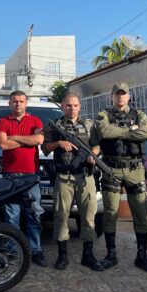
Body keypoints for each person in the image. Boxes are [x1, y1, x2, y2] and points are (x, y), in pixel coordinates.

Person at [95, 82, 147, 272]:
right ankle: (111, 255)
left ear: (129, 96)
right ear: (112, 96)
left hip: (135, 168)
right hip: (112, 168)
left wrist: (119, 132)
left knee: (140, 213)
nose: (120, 97)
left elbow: (145, 133)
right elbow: (104, 131)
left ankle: (142, 255)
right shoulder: (104, 114)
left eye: (124, 94)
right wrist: (131, 129)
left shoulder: (140, 114)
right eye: (117, 94)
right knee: (110, 213)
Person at [43, 92, 103, 272]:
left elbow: (97, 145)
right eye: (68, 105)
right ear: (62, 106)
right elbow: (45, 148)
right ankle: (62, 255)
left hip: (85, 176)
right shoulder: (55, 126)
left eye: (75, 105)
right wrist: (59, 143)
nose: (72, 108)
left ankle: (88, 255)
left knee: (88, 215)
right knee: (61, 215)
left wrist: (93, 154)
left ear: (80, 107)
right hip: (63, 177)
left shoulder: (89, 125)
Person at [0, 91, 47, 267]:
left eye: (21, 101)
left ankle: (36, 250)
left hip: (31, 176)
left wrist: (14, 138)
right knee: (12, 216)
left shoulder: (35, 121)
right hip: (10, 176)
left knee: (33, 214)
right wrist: (27, 140)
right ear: (10, 104)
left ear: (26, 103)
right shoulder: (3, 121)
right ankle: (13, 250)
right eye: (14, 101)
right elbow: (3, 144)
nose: (18, 104)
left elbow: (39, 139)